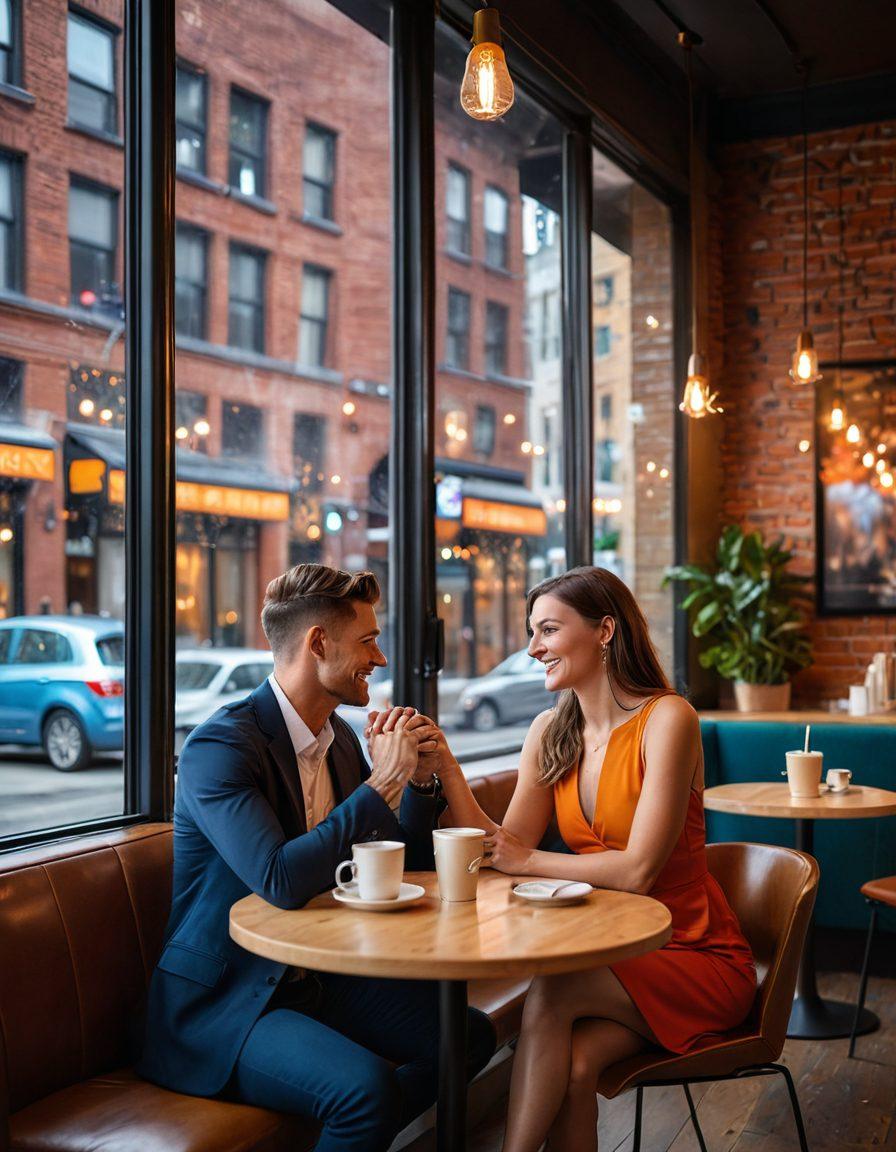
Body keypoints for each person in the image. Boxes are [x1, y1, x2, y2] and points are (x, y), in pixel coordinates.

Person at [138, 563, 496, 1152]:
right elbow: (279, 878)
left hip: (318, 980)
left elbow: (391, 864)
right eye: (368, 641)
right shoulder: (220, 747)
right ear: (318, 643)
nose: (379, 659)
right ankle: (361, 1117)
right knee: (365, 1092)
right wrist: (381, 786)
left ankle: (358, 1128)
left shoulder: (342, 741)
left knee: (466, 1036)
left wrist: (422, 784)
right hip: (228, 1004)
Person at [418, 566, 756, 1152]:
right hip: (612, 951)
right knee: (572, 1071)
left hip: (693, 953)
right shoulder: (551, 731)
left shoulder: (668, 718)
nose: (532, 648)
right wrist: (449, 768)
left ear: (605, 630)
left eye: (547, 629)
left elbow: (637, 871)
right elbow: (503, 850)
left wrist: (530, 863)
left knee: (551, 991)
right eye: (532, 632)